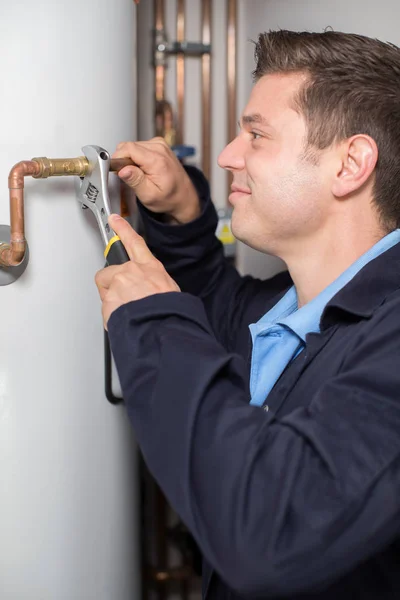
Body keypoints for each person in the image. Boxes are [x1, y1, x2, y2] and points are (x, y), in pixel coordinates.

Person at [95, 30, 400, 599]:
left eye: (255, 134)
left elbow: (273, 529)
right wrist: (183, 214)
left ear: (351, 164)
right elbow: (216, 307)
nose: (227, 155)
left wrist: (154, 327)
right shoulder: (292, 308)